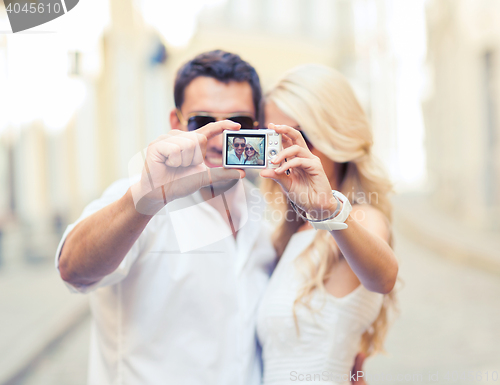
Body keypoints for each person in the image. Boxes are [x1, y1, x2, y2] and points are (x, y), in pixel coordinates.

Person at [56, 50, 277, 385]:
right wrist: (145, 199)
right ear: (177, 124)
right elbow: (73, 269)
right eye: (203, 122)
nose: (218, 138)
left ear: (256, 128)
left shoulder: (263, 212)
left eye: (238, 123)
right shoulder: (137, 199)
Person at [257, 64, 399, 384]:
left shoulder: (359, 219)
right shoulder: (288, 234)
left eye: (300, 137)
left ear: (334, 135)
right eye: (275, 138)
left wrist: (329, 211)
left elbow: (384, 277)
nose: (288, 151)